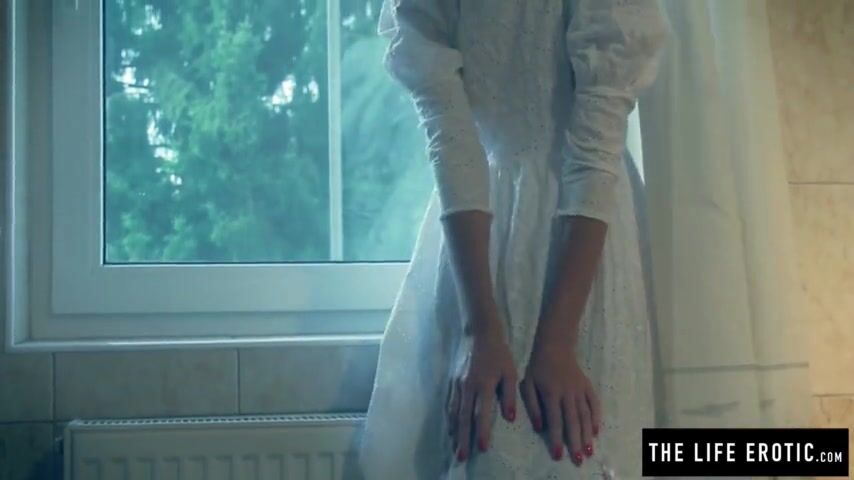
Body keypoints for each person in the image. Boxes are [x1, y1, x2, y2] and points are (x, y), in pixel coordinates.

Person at [358, 0, 669, 478]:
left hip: (585, 233)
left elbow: (596, 146)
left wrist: (558, 340)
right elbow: (451, 138)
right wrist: (479, 329)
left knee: (575, 443)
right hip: (477, 237)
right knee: (487, 438)